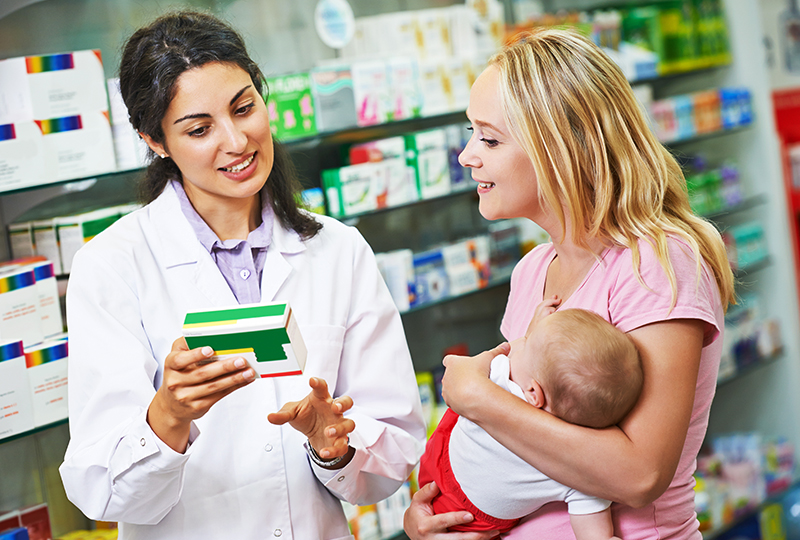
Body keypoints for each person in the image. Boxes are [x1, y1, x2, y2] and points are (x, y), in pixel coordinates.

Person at [58, 10, 426, 540]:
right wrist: (167, 417)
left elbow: (395, 445)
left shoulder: (338, 249)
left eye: (244, 107)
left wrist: (336, 445)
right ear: (155, 140)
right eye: (200, 128)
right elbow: (100, 490)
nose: (236, 141)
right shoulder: (113, 265)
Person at [404, 26, 735, 540]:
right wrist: (445, 513)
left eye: (489, 138)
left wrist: (479, 398)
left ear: (560, 148)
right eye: (471, 134)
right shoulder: (533, 271)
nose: (468, 156)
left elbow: (640, 474)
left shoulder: (658, 262)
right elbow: (524, 445)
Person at [418, 295, 642, 540]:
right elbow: (592, 530)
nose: (520, 342)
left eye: (528, 342)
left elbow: (461, 372)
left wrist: (529, 336)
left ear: (534, 392)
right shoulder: (579, 472)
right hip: (475, 518)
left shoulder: (502, 375)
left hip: (448, 476)